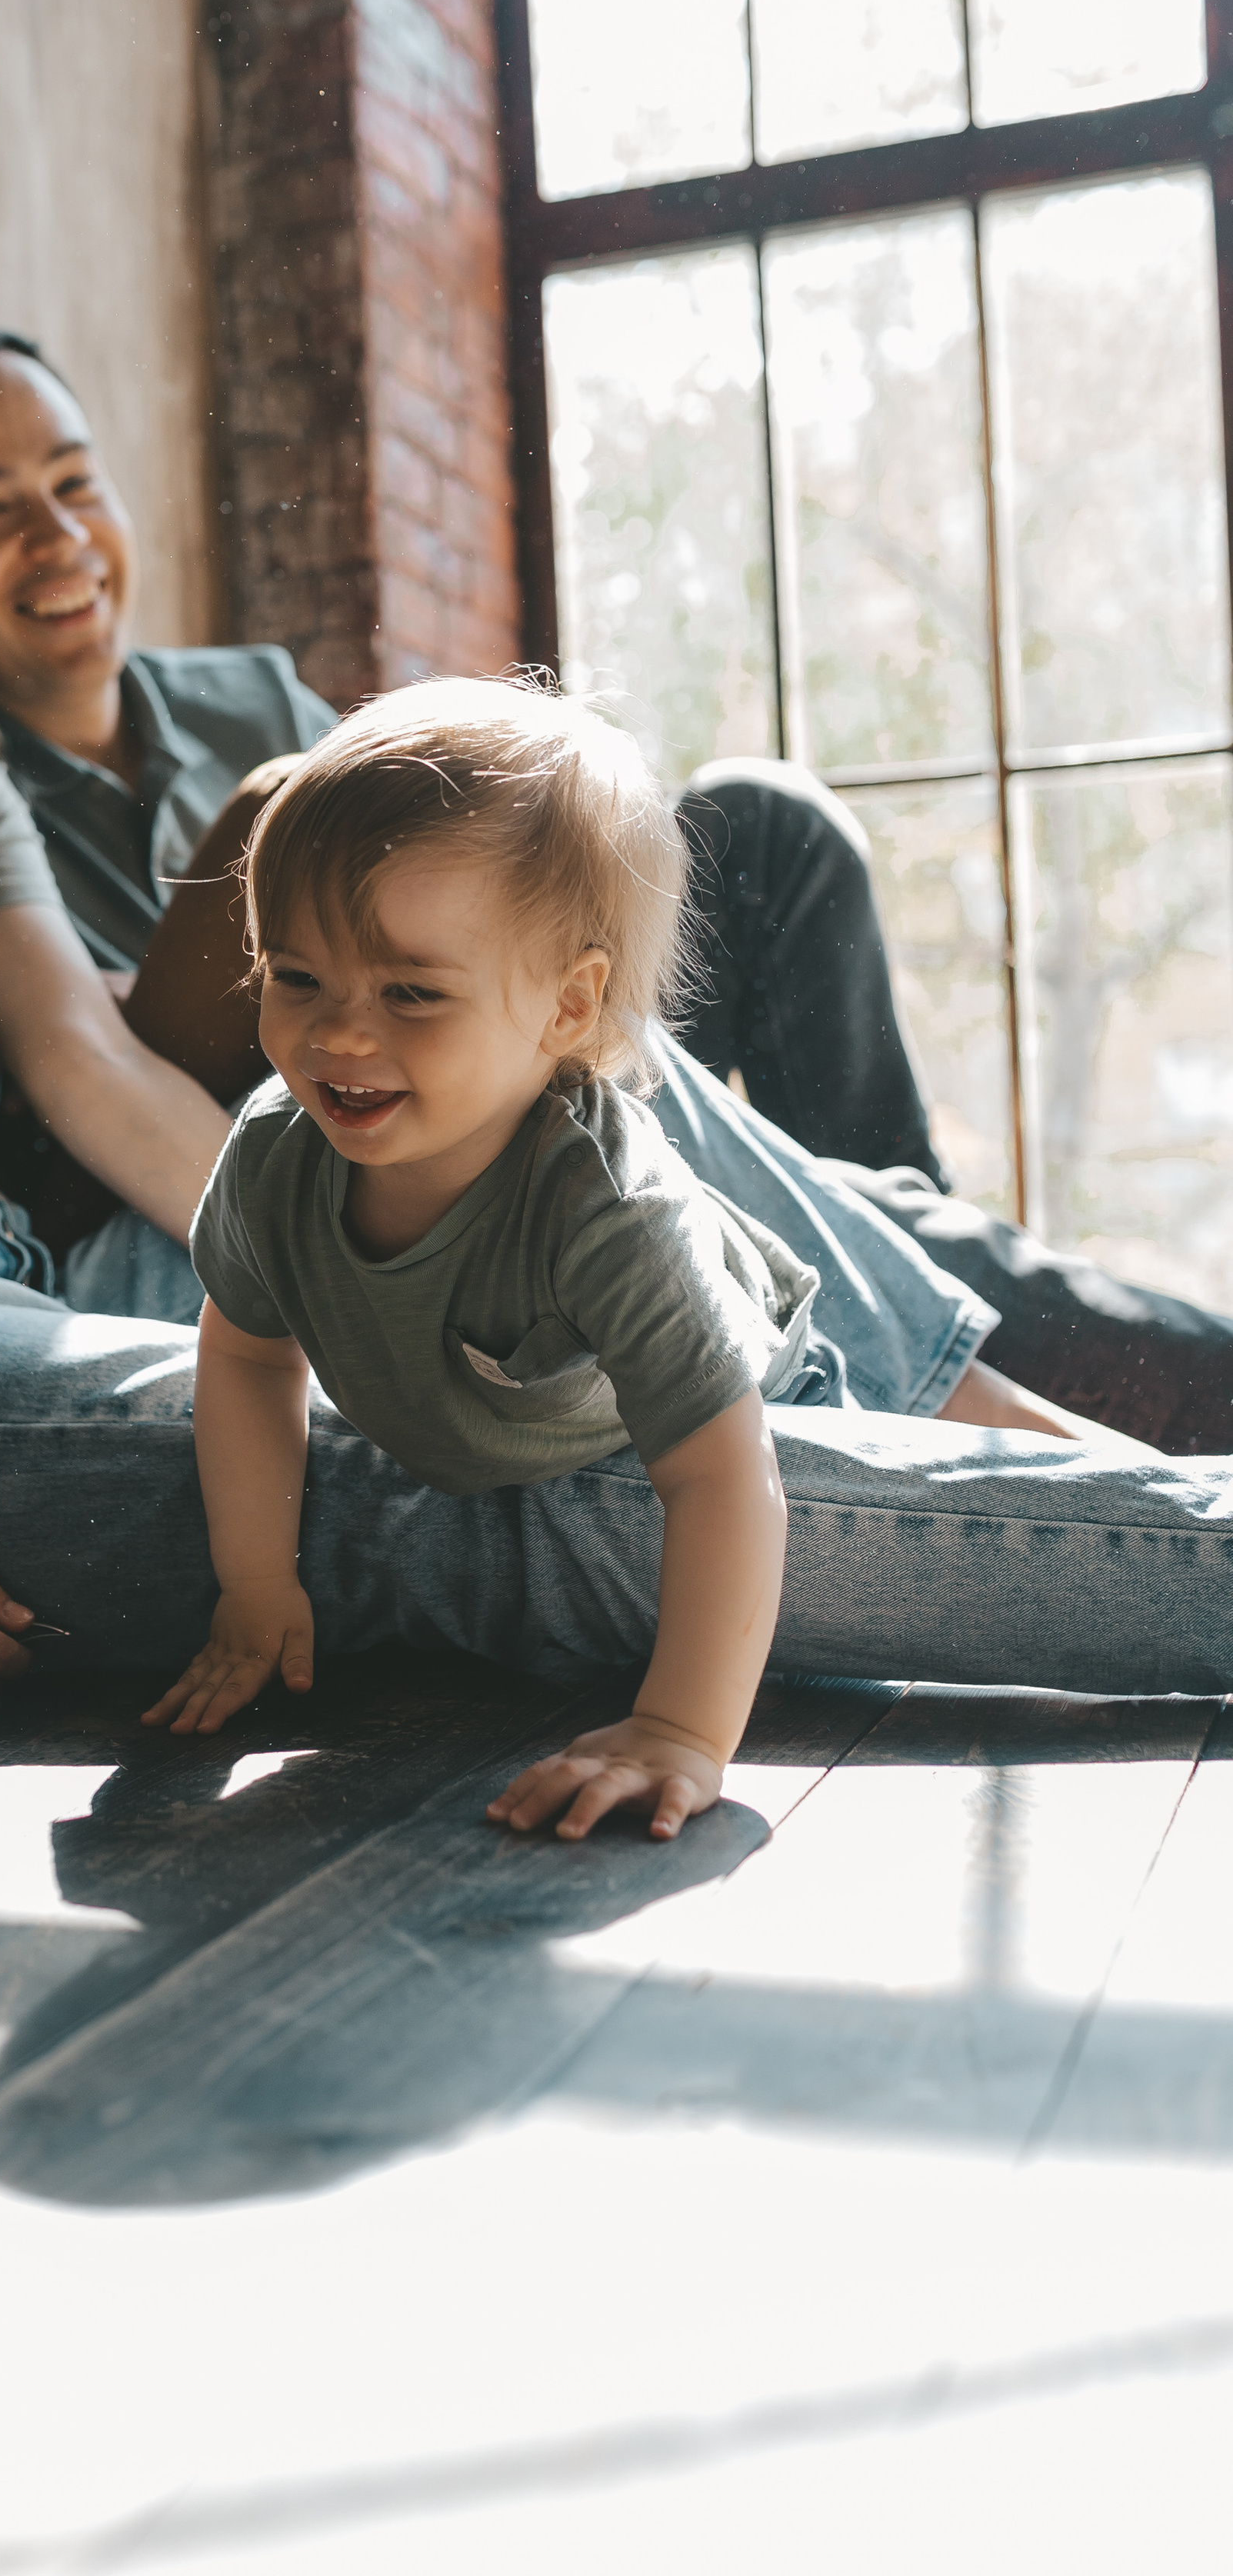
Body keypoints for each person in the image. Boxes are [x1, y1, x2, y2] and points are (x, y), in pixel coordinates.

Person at [0, 249, 1233, 1729]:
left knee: (550, 1086)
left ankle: (1037, 1462)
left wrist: (378, 1222)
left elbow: (96, 1078)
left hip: (6, 1281)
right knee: (445, 1466)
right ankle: (1176, 1556)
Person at [0, 325, 1233, 1455]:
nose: (55, 535)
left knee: (755, 835)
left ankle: (880, 1231)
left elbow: (458, 874)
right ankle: (978, 1355)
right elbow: (101, 1065)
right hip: (294, 1145)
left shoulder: (240, 689)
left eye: (74, 483)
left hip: (462, 1071)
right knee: (585, 1052)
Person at [148, 681, 834, 1854]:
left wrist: (680, 1730)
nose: (339, 1033)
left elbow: (724, 1477)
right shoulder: (273, 1156)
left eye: (411, 993)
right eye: (297, 977)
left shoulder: (601, 1205)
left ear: (568, 1008)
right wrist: (257, 1584)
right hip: (511, 1434)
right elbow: (249, 1357)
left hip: (753, 1411)